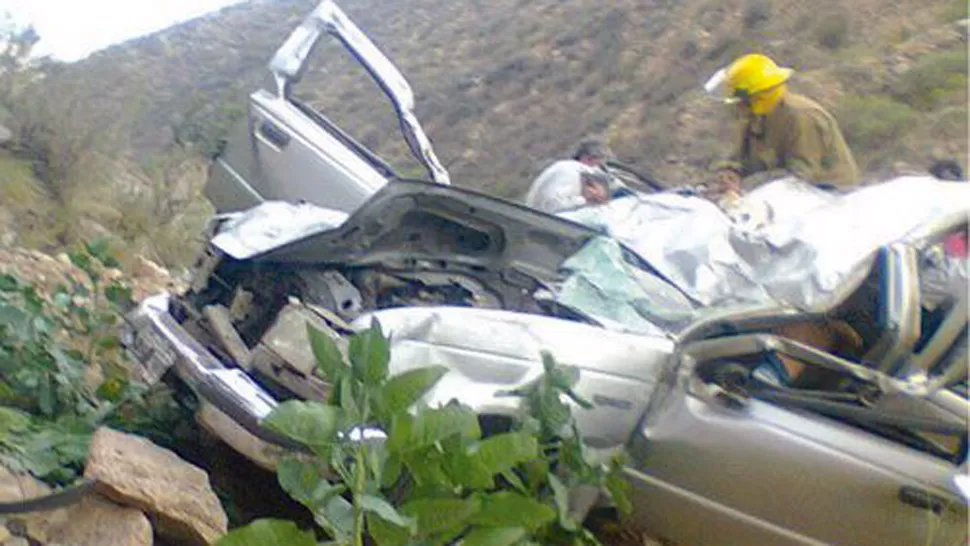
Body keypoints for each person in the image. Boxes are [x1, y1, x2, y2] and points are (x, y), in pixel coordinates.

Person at [705, 54, 860, 196]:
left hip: (827, 199)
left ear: (757, 98)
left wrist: (746, 185)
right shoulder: (755, 116)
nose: (737, 107)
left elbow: (801, 176)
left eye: (741, 102)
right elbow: (739, 158)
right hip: (781, 195)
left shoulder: (802, 116)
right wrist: (729, 173)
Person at [524, 139, 616, 213]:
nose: (599, 171)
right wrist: (586, 200)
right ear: (588, 159)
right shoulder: (572, 172)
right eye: (600, 165)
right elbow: (553, 205)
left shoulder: (562, 167)